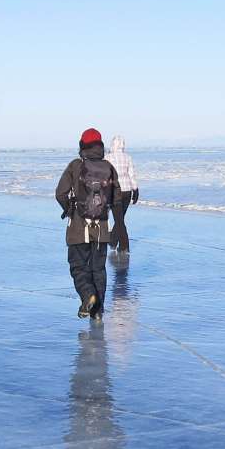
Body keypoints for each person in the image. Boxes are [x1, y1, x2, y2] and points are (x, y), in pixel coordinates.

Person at [55, 128, 119, 320]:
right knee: (98, 270)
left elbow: (60, 193)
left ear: (82, 146)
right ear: (100, 146)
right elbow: (116, 199)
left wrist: (69, 209)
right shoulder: (109, 167)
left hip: (78, 227)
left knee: (78, 267)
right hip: (102, 229)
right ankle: (97, 312)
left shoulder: (75, 165)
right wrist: (116, 223)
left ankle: (88, 296)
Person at [108, 134, 140, 252]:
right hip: (127, 191)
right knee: (120, 218)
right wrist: (135, 190)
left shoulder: (108, 158)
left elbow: (106, 177)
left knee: (119, 220)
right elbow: (131, 175)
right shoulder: (128, 157)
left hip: (114, 191)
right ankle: (113, 241)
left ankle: (124, 246)